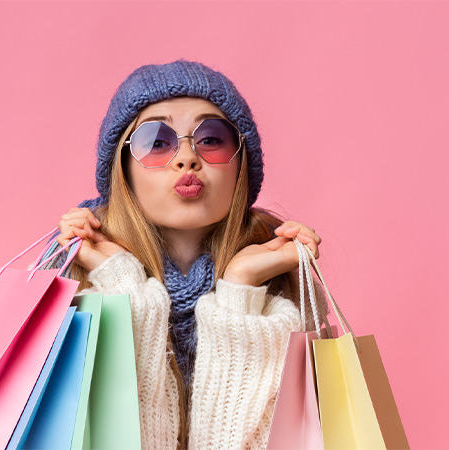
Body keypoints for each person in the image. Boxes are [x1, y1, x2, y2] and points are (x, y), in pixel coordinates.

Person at [45, 60, 329, 449]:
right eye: (156, 142)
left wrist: (240, 294)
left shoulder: (283, 281)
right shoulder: (72, 275)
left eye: (211, 139)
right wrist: (124, 289)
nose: (186, 158)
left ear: (241, 162)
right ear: (123, 168)